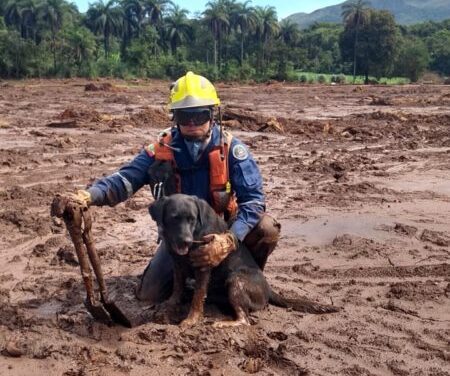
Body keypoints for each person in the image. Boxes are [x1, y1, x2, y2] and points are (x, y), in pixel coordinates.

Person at [52, 71, 280, 304]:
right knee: (149, 295)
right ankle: (194, 284)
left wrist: (229, 240)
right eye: (184, 116)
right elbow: (123, 181)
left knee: (266, 228)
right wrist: (88, 195)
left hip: (221, 230)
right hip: (178, 233)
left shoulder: (231, 150)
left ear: (213, 115)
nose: (192, 124)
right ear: (174, 118)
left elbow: (253, 201)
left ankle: (245, 279)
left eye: (199, 115)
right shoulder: (160, 150)